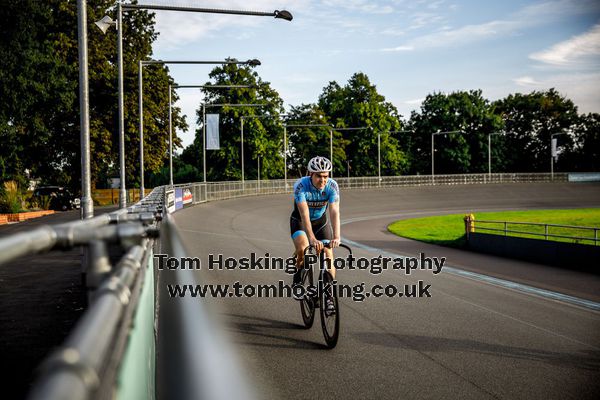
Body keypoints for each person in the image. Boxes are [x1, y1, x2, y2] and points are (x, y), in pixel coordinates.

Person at [290, 156, 340, 311]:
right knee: (303, 249)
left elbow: (334, 212)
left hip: (320, 222)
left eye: (325, 176)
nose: (323, 180)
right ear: (310, 173)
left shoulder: (332, 186)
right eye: (319, 176)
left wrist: (337, 236)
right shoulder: (301, 186)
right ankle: (298, 278)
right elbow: (304, 215)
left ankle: (329, 295)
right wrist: (311, 238)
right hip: (300, 221)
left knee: (328, 256)